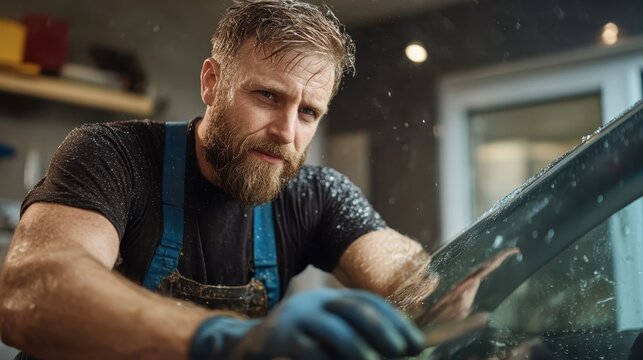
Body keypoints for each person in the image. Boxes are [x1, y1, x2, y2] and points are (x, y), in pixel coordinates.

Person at [0, 1, 515, 359]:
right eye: (268, 96)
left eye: (309, 112)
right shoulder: (112, 155)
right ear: (211, 82)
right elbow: (30, 291)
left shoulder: (318, 196)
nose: (286, 132)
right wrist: (226, 342)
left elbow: (408, 278)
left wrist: (437, 301)